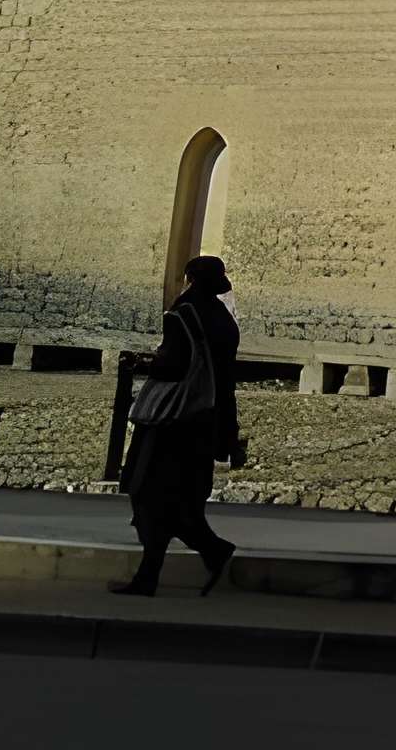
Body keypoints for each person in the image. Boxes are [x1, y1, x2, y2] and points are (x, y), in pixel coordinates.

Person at [110, 254, 245, 596]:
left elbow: (172, 365)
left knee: (150, 494)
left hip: (172, 421)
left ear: (190, 278)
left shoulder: (183, 313)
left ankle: (209, 550)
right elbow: (225, 378)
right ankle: (151, 575)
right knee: (181, 499)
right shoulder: (225, 321)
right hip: (206, 418)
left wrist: (143, 363)